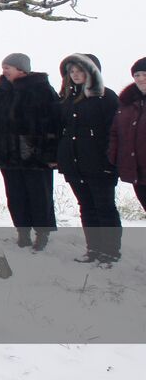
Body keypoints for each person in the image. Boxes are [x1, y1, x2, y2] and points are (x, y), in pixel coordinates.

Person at [0, 52, 60, 250]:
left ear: (21, 69)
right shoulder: (0, 90)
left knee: (39, 195)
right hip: (7, 153)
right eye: (3, 68)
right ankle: (23, 232)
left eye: (8, 67)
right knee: (15, 196)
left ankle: (42, 234)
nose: (4, 71)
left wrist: (52, 153)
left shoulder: (42, 89)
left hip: (34, 154)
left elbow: (55, 123)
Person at [57, 53, 121, 265]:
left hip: (100, 165)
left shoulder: (106, 97)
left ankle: (110, 252)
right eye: (72, 72)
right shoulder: (66, 99)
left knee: (105, 208)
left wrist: (111, 163)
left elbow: (115, 133)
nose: (75, 75)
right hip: (74, 165)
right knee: (86, 207)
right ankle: (93, 249)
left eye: (80, 71)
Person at [108, 58, 146, 211]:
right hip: (137, 170)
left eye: (145, 74)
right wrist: (114, 155)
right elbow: (115, 132)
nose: (141, 78)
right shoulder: (127, 103)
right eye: (137, 75)